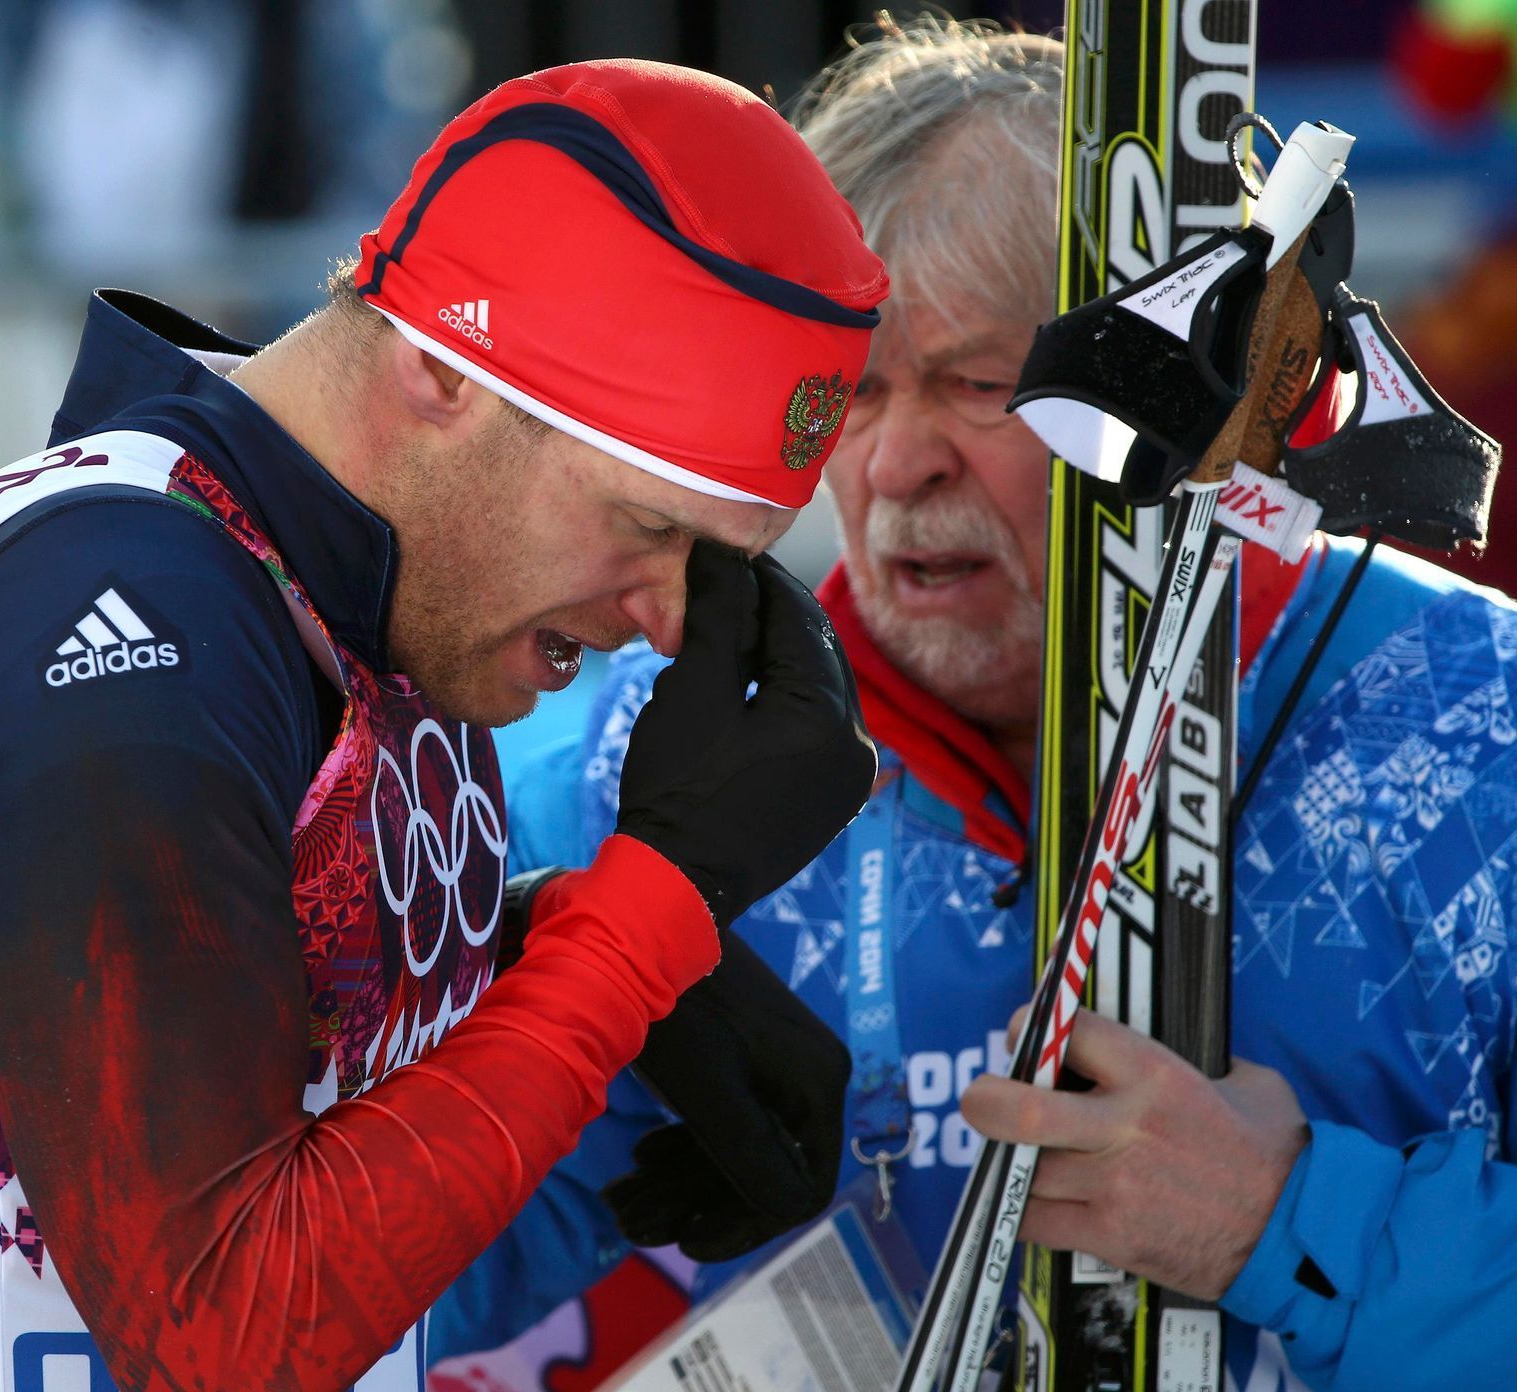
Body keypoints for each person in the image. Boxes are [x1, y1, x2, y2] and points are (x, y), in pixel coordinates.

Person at [0, 61, 891, 1392]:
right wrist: (648, 920)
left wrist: (557, 944)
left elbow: (249, 998)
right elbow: (221, 1338)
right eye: (650, 528)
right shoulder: (131, 623)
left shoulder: (364, 589)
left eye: (710, 562)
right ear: (439, 370)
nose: (662, 621)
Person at [431, 20, 1517, 1392]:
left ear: (1178, 388)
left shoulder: (1480, 733)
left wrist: (1292, 1224)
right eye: (846, 397)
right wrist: (548, 1117)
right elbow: (342, 1298)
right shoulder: (614, 767)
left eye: (982, 384)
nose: (894, 464)